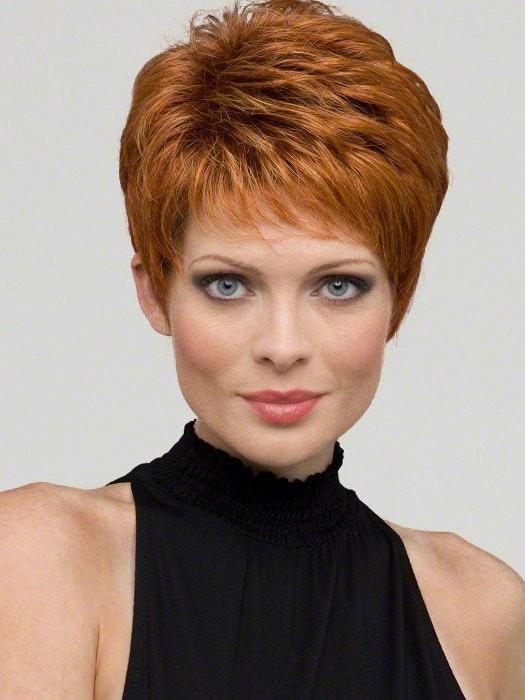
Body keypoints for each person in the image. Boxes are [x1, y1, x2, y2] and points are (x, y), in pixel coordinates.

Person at [1, 0, 523, 697]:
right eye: (228, 285)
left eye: (337, 286)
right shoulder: (39, 558)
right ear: (154, 292)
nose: (283, 346)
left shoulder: (483, 609)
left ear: (398, 297)